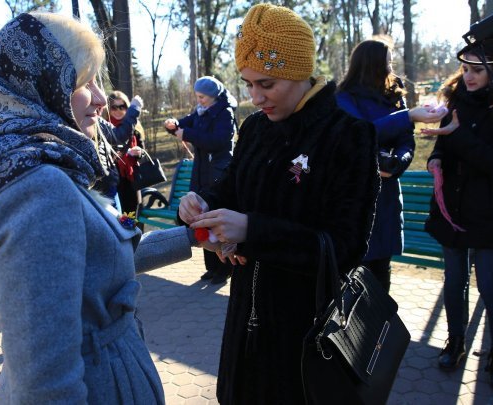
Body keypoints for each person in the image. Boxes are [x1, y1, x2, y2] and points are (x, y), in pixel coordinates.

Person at [0, 12, 216, 404]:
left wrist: (194, 235)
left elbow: (94, 264)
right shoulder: (38, 187)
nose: (101, 100)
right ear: (39, 84)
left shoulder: (18, 161)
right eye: (85, 83)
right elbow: (46, 387)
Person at [178, 4, 379, 403]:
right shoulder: (255, 129)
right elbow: (233, 188)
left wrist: (253, 231)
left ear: (299, 71)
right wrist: (203, 202)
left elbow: (347, 246)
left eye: (266, 84)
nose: (255, 97)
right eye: (248, 84)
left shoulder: (347, 136)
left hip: (304, 330)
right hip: (245, 321)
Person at [421, 39, 493, 391]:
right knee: (454, 282)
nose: (468, 76)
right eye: (465, 69)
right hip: (453, 209)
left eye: (477, 70)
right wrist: (436, 157)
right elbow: (445, 143)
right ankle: (455, 342)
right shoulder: (456, 102)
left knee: (492, 288)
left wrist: (458, 137)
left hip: (491, 214)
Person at [336, 38, 447, 293]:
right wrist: (407, 116)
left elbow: (407, 141)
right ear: (370, 65)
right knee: (350, 288)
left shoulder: (394, 96)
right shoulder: (343, 98)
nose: (391, 69)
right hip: (352, 201)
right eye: (387, 63)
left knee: (380, 284)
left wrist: (396, 164)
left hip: (385, 200)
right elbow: (360, 132)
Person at [164, 76, 237, 285]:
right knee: (200, 218)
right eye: (197, 97)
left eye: (202, 97)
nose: (199, 100)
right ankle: (210, 267)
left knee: (215, 220)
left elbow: (218, 141)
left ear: (213, 96)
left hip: (217, 173)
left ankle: (224, 269)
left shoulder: (225, 113)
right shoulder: (200, 112)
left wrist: (187, 133)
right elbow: (185, 124)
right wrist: (174, 125)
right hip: (201, 174)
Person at [103, 91, 145, 215]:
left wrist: (139, 153)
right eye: (114, 107)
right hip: (112, 183)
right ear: (108, 109)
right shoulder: (105, 128)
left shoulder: (135, 129)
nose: (118, 110)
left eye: (122, 107)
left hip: (131, 182)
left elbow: (142, 152)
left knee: (131, 220)